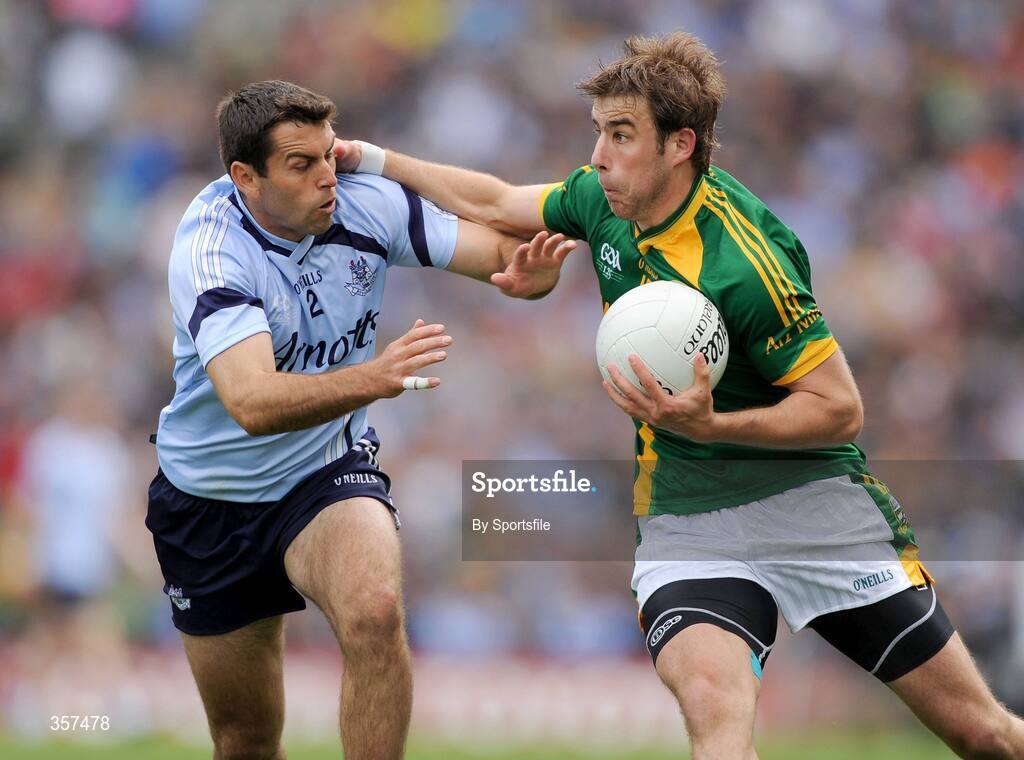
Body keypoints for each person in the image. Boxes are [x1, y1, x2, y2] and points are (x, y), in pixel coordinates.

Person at [336, 33, 1024, 759]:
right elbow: (501, 202)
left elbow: (839, 408)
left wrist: (714, 421)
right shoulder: (605, 203)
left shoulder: (746, 261)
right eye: (599, 132)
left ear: (679, 145)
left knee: (983, 736)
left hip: (816, 512)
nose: (599, 155)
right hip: (689, 520)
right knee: (715, 720)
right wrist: (376, 161)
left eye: (622, 134)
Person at [146, 80, 573, 760]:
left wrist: (530, 276)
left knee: (374, 609)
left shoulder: (361, 201)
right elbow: (251, 402)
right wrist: (375, 376)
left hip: (323, 470)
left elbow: (502, 253)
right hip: (210, 500)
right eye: (301, 164)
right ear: (244, 178)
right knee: (246, 740)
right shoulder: (211, 250)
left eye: (326, 155)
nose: (326, 178)